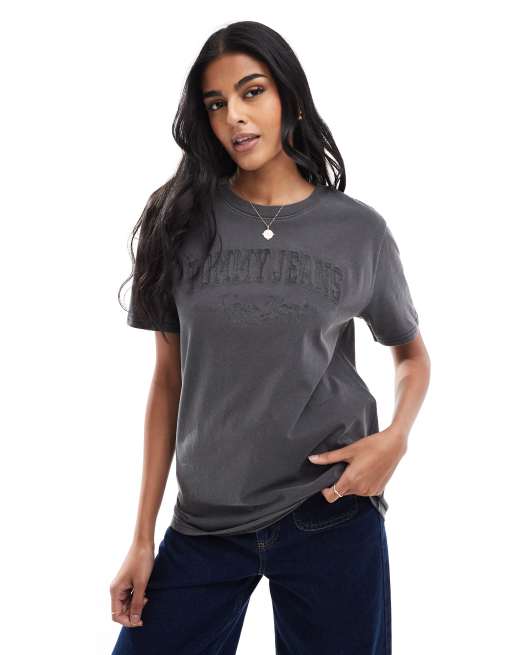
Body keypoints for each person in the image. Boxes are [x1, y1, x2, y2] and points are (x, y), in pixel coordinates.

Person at [110, 20, 431, 655]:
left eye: (251, 91)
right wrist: (142, 538)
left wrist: (396, 437)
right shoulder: (177, 223)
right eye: (216, 103)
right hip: (206, 521)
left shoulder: (358, 231)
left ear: (291, 99)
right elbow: (168, 382)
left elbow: (411, 354)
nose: (234, 115)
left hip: (329, 507)